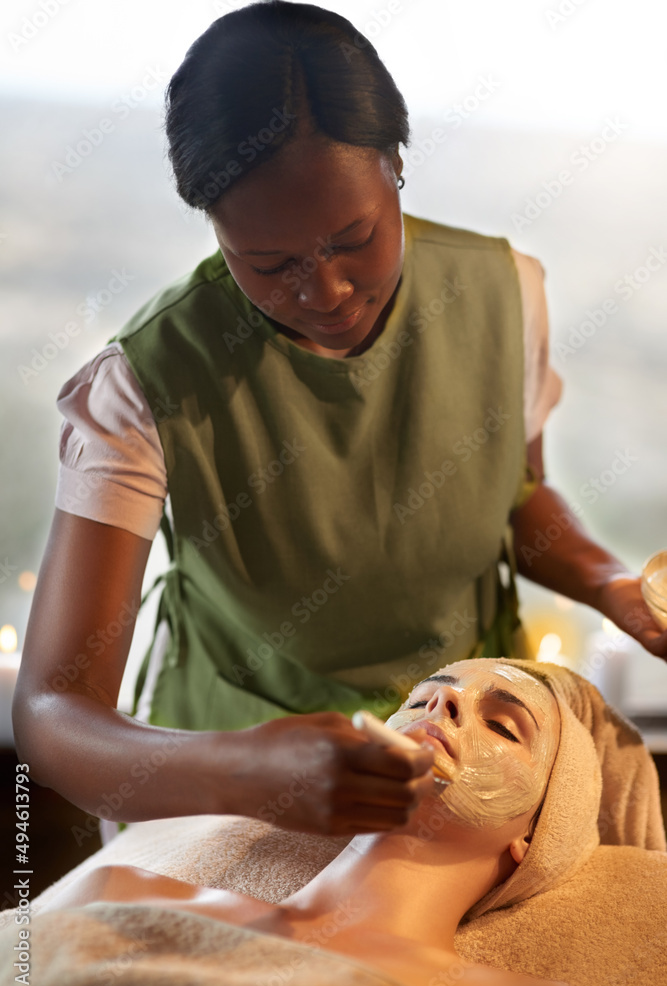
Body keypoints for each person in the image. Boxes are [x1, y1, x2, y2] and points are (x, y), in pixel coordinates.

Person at [12, 1, 667, 838]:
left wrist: (615, 589)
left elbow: (509, 495)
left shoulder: (504, 294)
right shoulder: (142, 384)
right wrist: (250, 771)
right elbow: (53, 711)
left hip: (465, 778)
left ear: (397, 164)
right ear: (212, 227)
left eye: (354, 237)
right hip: (224, 795)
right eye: (268, 263)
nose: (323, 292)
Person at [34, 659, 588, 986]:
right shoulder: (122, 894)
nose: (443, 703)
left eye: (502, 725)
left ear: (534, 838)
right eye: (420, 700)